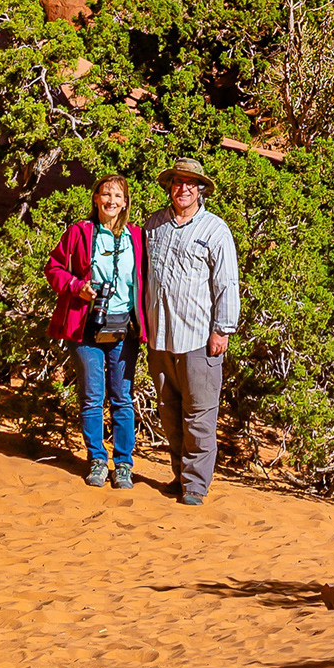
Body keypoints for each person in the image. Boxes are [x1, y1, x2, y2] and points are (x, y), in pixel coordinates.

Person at [140, 159, 242, 505]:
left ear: (200, 189)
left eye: (191, 183)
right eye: (178, 182)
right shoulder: (155, 225)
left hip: (200, 338)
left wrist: (222, 330)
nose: (183, 189)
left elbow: (226, 283)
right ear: (170, 186)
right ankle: (180, 476)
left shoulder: (215, 230)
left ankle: (196, 486)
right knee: (169, 411)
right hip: (160, 337)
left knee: (199, 415)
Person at [42, 174, 148, 489]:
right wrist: (77, 287)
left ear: (126, 202)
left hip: (123, 329)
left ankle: (124, 464)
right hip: (86, 327)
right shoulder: (79, 233)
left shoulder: (138, 237)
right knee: (91, 397)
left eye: (117, 196)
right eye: (105, 194)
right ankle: (97, 460)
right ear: (95, 198)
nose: (111, 201)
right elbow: (54, 268)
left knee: (122, 398)